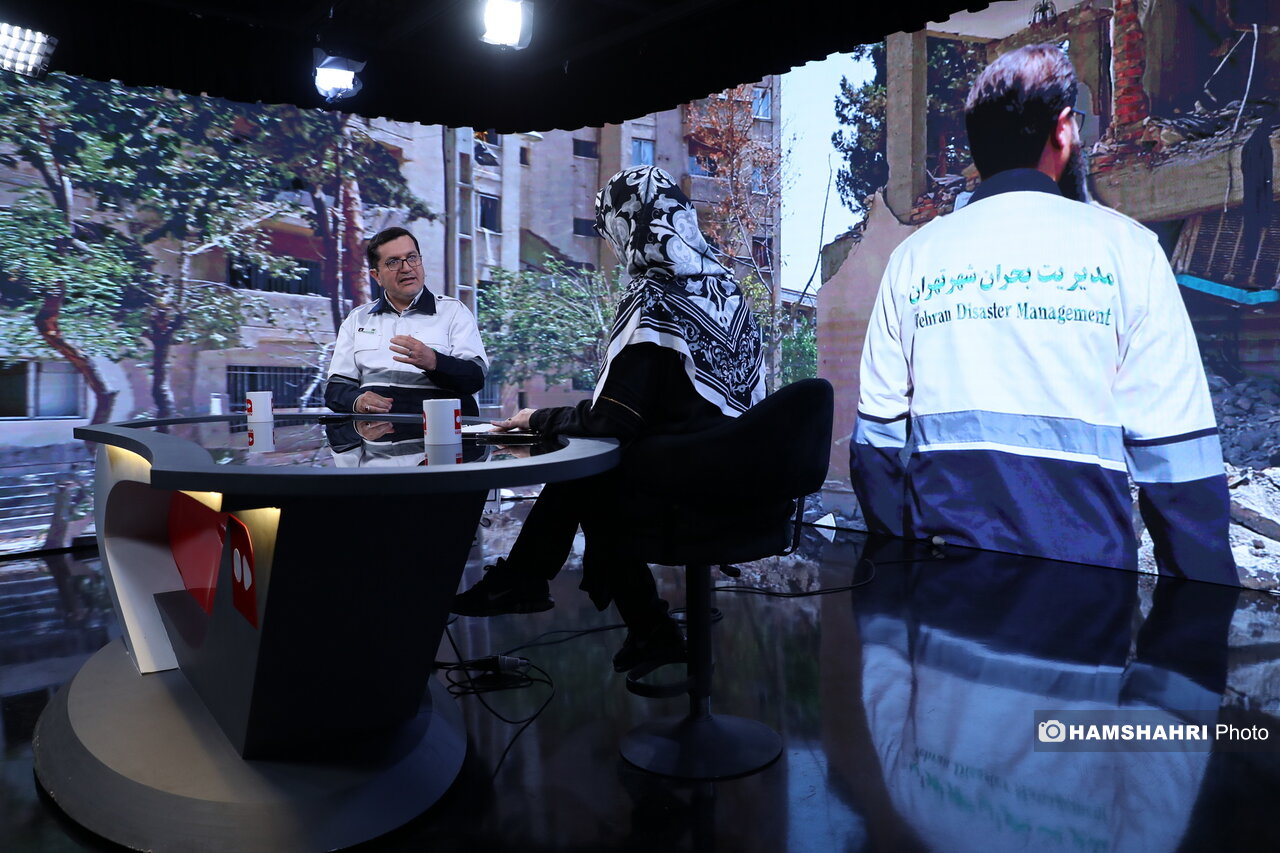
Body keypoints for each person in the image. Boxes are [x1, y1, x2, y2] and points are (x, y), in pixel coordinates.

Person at [850, 45, 1236, 584]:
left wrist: (902, 583)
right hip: (1085, 602)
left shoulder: (914, 259)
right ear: (1063, 130)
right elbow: (1181, 473)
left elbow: (876, 453)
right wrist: (1197, 621)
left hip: (943, 602)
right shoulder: (1128, 252)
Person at [451, 165, 765, 673]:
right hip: (748, 483)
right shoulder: (727, 289)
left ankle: (538, 583)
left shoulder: (653, 297)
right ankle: (639, 626)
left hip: (694, 492)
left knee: (592, 471)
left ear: (629, 226)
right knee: (602, 474)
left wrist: (537, 418)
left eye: (611, 228)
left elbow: (612, 420)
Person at [325, 227, 488, 416]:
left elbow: (475, 379)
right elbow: (336, 389)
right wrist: (357, 401)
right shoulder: (357, 319)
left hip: (439, 430)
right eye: (393, 262)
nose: (407, 268)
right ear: (376, 276)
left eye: (412, 258)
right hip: (375, 431)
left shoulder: (453, 312)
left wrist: (434, 362)